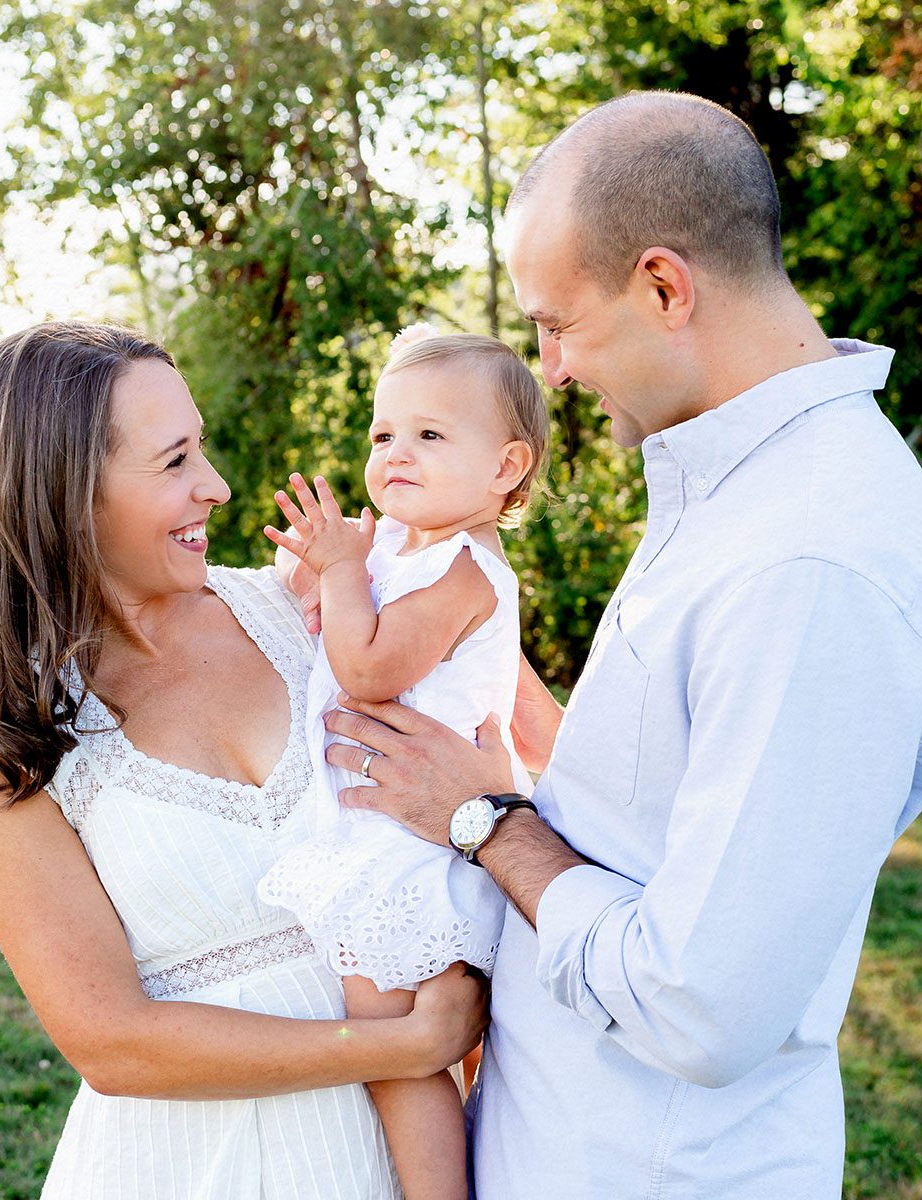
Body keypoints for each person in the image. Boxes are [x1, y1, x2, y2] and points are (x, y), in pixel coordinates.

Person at [313, 92, 922, 1198]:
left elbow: (702, 1001)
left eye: (559, 324)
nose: (549, 369)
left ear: (662, 286)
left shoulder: (809, 556)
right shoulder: (743, 494)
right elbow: (645, 806)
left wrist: (484, 821)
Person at [0, 320, 488, 1200]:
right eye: (174, 461)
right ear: (68, 492)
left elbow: (516, 760)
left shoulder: (309, 614)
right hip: (187, 1168)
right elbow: (110, 1040)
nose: (214, 487)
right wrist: (402, 1046)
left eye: (202, 452)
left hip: (400, 1154)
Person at [258, 329, 548, 1200]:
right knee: (394, 1040)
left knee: (397, 1051)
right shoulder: (401, 548)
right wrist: (320, 573)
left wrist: (345, 572)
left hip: (411, 848)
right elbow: (323, 616)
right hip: (379, 825)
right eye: (384, 435)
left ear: (505, 467)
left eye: (430, 435)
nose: (396, 454)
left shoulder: (468, 569)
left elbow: (371, 667)